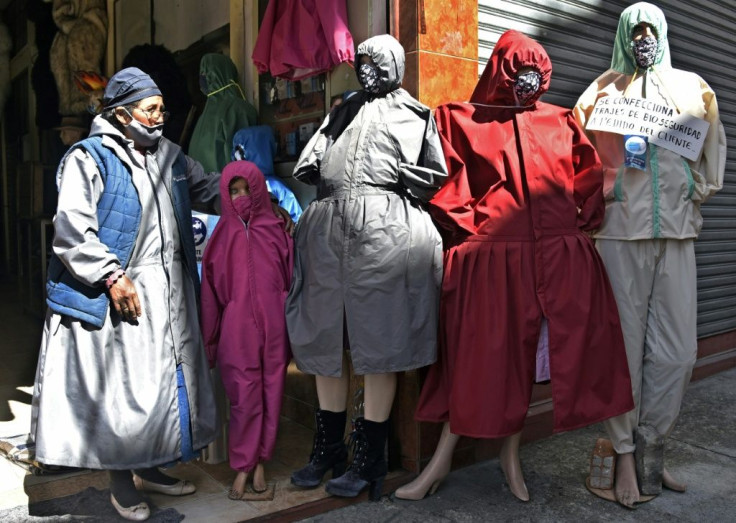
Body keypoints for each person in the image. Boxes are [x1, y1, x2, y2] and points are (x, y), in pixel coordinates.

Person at [394, 30, 634, 502]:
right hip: (492, 262)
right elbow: (439, 182)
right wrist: (475, 227)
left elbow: (587, 178)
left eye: (534, 75)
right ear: (501, 71)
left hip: (559, 258)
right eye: (517, 73)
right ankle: (441, 464)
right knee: (481, 364)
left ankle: (522, 456)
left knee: (572, 354)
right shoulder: (459, 118)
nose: (526, 84)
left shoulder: (560, 119)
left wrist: (577, 224)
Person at [31, 67, 222, 521]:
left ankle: (151, 469)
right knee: (121, 392)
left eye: (161, 110)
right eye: (150, 109)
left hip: (165, 293)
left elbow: (208, 190)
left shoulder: (172, 158)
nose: (159, 118)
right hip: (118, 292)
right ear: (120, 113)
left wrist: (252, 188)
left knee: (158, 389)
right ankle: (121, 483)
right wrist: (112, 277)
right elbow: (73, 230)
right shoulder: (89, 157)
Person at [573, 2, 726, 508]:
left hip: (677, 234)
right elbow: (576, 154)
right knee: (623, 351)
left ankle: (651, 447)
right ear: (623, 34)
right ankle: (622, 456)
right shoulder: (601, 91)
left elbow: (712, 148)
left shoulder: (692, 87)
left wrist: (693, 192)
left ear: (663, 33)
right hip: (620, 235)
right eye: (633, 29)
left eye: (651, 29)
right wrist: (605, 196)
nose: (643, 37)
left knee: (679, 353)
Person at [286, 34, 448, 501]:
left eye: (378, 63)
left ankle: (370, 458)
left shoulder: (416, 114)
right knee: (325, 339)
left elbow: (433, 177)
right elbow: (314, 162)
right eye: (362, 62)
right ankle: (328, 448)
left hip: (383, 234)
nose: (368, 71)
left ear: (396, 64)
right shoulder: (342, 109)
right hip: (329, 230)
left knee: (380, 340)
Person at [200, 160, 293, 500]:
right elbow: (209, 296)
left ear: (259, 190)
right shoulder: (220, 238)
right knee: (244, 399)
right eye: (233, 191)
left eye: (246, 190)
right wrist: (210, 341)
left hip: (276, 326)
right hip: (236, 331)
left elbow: (294, 280)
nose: (241, 197)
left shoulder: (278, 231)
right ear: (225, 195)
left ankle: (260, 463)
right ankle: (242, 465)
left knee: (272, 395)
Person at [189, 53, 258, 174]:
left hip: (205, 190)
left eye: (205, 73)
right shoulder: (239, 109)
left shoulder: (204, 116)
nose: (203, 78)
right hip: (227, 190)